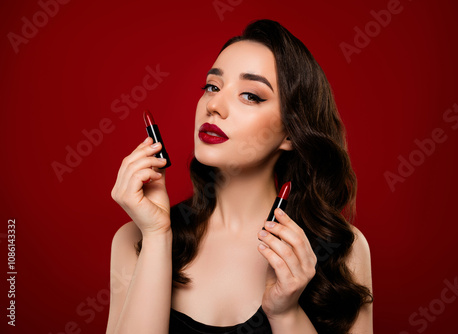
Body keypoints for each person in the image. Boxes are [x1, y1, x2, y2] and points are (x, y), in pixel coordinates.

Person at [106, 19, 373, 334]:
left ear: (290, 132)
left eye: (251, 95)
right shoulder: (134, 240)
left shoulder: (343, 249)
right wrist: (156, 236)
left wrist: (286, 313)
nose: (214, 106)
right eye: (212, 87)